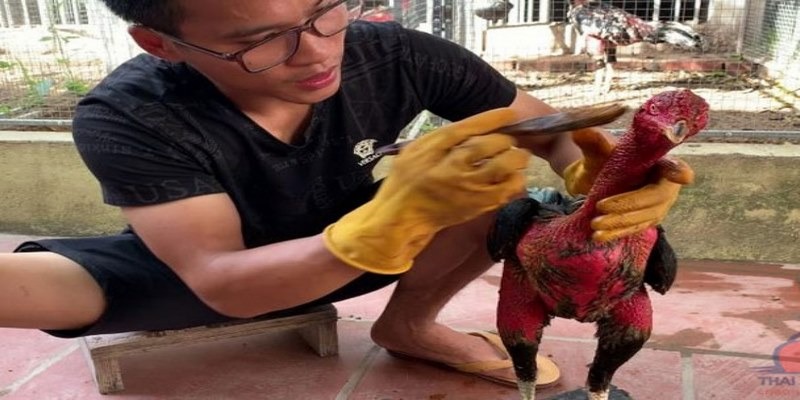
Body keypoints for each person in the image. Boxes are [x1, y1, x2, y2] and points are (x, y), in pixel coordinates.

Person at [0, 0, 694, 388]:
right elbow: (222, 280)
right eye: (262, 41)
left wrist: (601, 182)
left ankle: (410, 327)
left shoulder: (395, 55)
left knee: (484, 178)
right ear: (161, 44)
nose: (317, 51)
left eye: (323, 10)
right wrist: (386, 223)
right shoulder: (128, 114)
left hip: (366, 249)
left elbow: (551, 133)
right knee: (19, 290)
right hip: (210, 275)